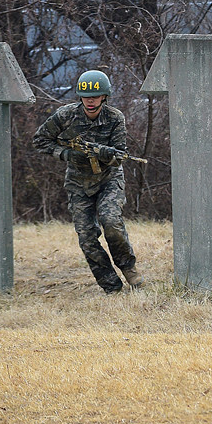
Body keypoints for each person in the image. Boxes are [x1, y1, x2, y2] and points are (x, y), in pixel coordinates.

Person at [32, 70, 144, 294]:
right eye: (86, 96)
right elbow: (40, 140)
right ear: (80, 97)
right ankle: (111, 286)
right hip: (78, 183)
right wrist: (66, 154)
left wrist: (103, 153)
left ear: (105, 96)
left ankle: (129, 270)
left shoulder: (114, 118)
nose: (90, 100)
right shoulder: (65, 116)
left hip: (108, 180)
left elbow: (120, 155)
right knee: (87, 237)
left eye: (96, 96)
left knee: (111, 221)